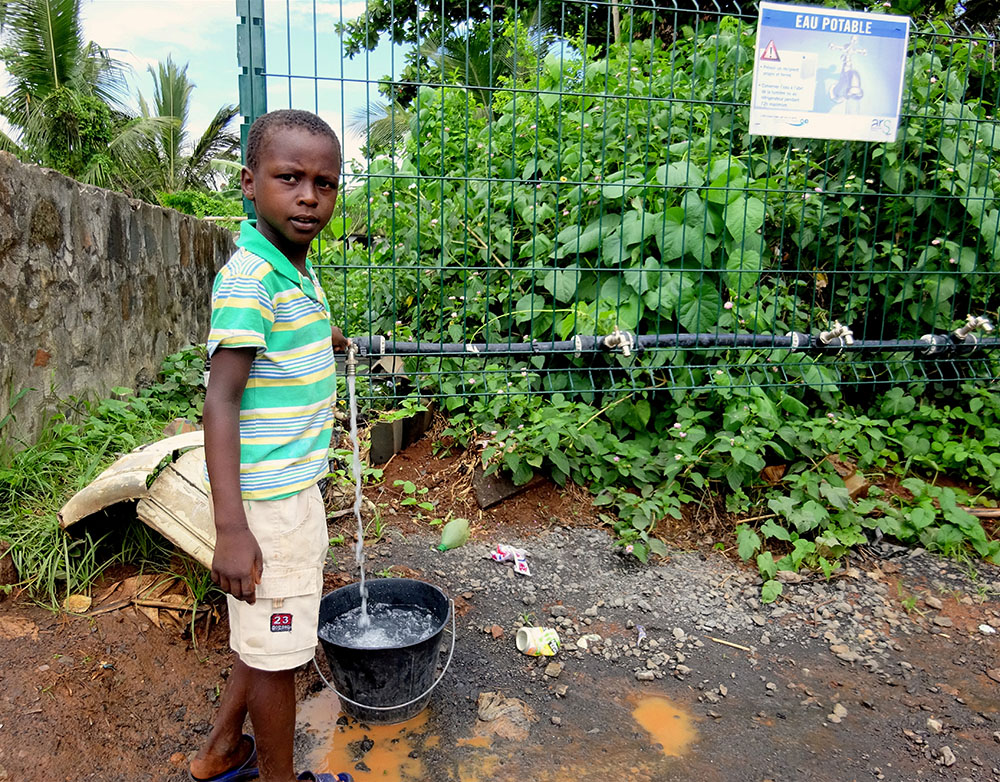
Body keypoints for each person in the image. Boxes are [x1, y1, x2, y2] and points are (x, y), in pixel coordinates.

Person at [189, 109, 352, 782]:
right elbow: (221, 400)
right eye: (290, 178)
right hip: (267, 507)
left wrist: (325, 341)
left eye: (325, 182)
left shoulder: (291, 266)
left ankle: (223, 750)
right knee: (279, 657)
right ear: (251, 183)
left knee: (265, 639)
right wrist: (232, 528)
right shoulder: (250, 279)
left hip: (294, 494)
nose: (309, 196)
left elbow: (282, 344)